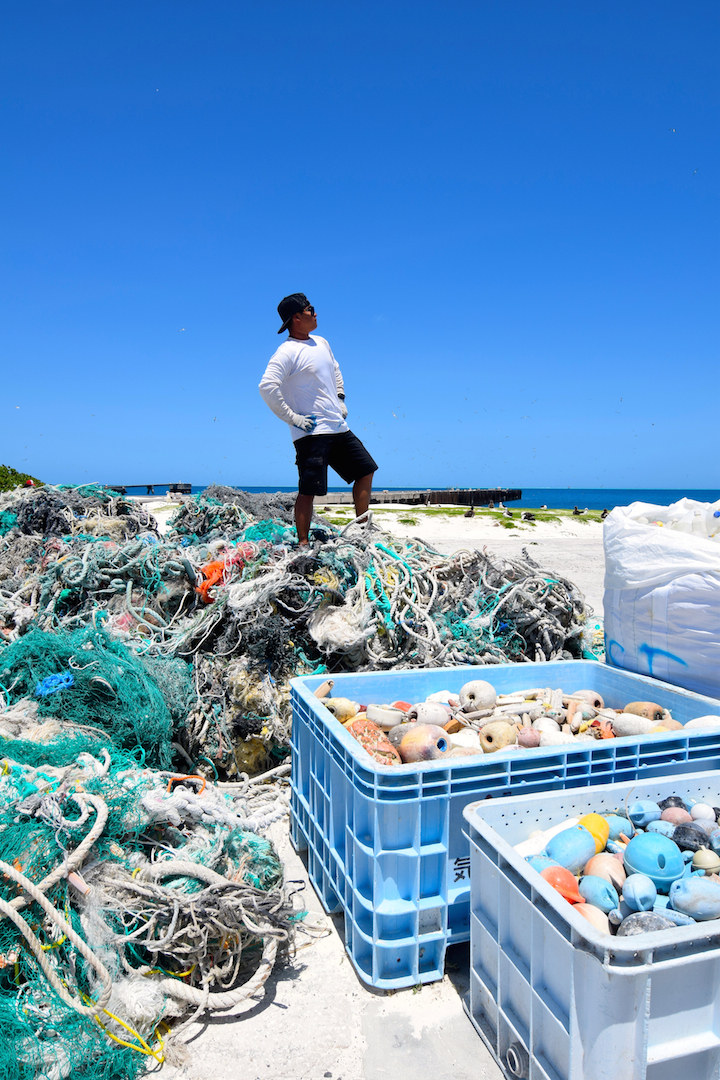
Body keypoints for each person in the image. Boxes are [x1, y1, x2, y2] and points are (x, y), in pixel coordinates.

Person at [259, 293, 378, 546]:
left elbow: (335, 369)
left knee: (366, 469)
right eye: (310, 309)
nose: (315, 313)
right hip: (311, 433)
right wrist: (293, 418)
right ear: (296, 318)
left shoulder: (322, 342)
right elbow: (267, 387)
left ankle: (362, 529)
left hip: (337, 426)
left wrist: (341, 397)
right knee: (309, 489)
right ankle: (302, 542)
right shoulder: (287, 352)